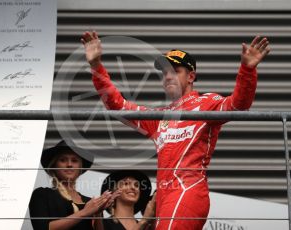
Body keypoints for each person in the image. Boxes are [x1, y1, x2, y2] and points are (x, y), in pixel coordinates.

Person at [81, 31, 270, 230]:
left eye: (175, 70)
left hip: (189, 190)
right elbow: (117, 105)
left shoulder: (206, 102)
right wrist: (96, 66)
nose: (168, 76)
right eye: (165, 72)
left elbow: (238, 105)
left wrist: (247, 69)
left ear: (191, 76)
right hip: (164, 195)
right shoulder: (158, 117)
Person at [29, 139, 115, 230]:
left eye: (74, 160)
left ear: (80, 168)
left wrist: (98, 212)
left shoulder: (89, 202)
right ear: (54, 166)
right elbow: (42, 228)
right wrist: (84, 212)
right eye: (63, 160)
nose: (69, 164)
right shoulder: (42, 194)